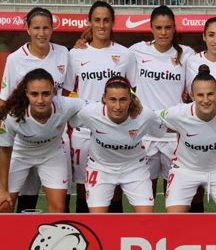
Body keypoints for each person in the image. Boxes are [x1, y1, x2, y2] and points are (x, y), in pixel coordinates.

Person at [64, 1, 136, 213]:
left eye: (106, 20)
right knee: (82, 186)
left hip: (116, 131)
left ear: (113, 22)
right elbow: (67, 94)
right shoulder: (75, 54)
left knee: (114, 187)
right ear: (89, 22)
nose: (102, 25)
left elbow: (132, 92)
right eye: (97, 20)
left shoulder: (126, 55)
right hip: (84, 132)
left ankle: (115, 237)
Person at [0, 6, 71, 213]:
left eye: (46, 27)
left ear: (52, 29)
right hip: (23, 139)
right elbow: (6, 101)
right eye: (37, 28)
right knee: (13, 201)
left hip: (54, 139)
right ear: (28, 29)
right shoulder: (14, 59)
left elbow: (65, 95)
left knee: (60, 203)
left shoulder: (63, 53)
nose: (42, 33)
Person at [0, 68, 85, 213]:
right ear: (26, 93)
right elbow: (5, 152)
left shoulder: (66, 105)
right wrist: (2, 189)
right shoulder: (14, 115)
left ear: (54, 92)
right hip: (19, 155)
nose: (40, 100)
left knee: (58, 208)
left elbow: (97, 109)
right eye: (34, 94)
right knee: (3, 206)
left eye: (46, 94)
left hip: (52, 156)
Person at [129, 5, 195, 204]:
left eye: (168, 27)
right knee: (144, 197)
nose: (163, 32)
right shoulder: (136, 51)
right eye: (159, 27)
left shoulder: (187, 54)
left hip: (172, 135)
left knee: (174, 197)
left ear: (174, 28)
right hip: (144, 134)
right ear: (151, 28)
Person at [69, 76, 166, 213]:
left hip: (135, 168)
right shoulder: (89, 113)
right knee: (97, 220)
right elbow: (67, 118)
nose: (118, 107)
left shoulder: (145, 115)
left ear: (130, 99)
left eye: (123, 100)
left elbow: (162, 130)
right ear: (104, 99)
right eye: (112, 100)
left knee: (146, 217)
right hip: (100, 168)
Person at [159, 65, 216, 213]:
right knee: (173, 218)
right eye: (200, 95)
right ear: (192, 96)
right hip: (185, 170)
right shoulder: (177, 113)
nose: (206, 100)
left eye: (210, 94)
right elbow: (150, 120)